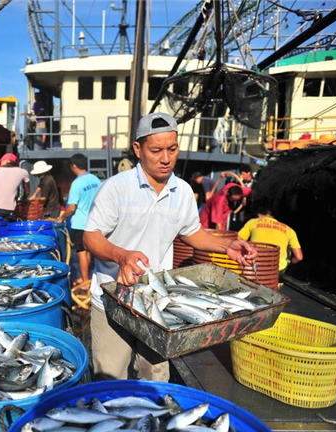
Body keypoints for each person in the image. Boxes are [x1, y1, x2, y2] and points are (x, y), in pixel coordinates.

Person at [83, 112, 257, 382]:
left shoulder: (183, 191)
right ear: (138, 149)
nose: (165, 158)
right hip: (112, 299)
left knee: (155, 379)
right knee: (111, 381)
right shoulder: (116, 188)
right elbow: (91, 236)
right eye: (156, 150)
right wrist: (121, 256)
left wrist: (227, 245)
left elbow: (193, 233)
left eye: (172, 149)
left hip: (157, 301)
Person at [56, 153, 101, 285]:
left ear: (74, 166)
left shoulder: (76, 183)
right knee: (89, 250)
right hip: (94, 221)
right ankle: (88, 277)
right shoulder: (95, 179)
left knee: (81, 251)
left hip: (80, 223)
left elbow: (71, 207)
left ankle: (85, 280)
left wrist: (61, 218)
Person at [238, 207, 303, 273]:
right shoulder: (289, 230)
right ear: (273, 216)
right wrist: (288, 263)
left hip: (253, 263)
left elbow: (238, 240)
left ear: (259, 215)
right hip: (276, 267)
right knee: (288, 250)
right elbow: (299, 257)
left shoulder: (253, 222)